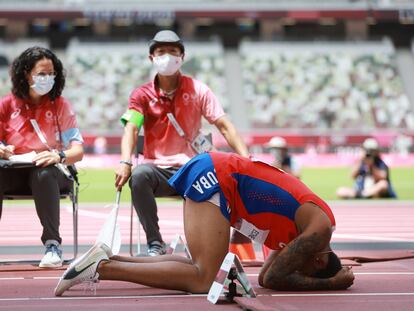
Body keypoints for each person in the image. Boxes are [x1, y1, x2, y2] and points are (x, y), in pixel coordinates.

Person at [55, 152, 354, 296]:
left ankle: (108, 258)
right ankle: (101, 270)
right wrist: (331, 283)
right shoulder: (319, 229)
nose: (295, 266)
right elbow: (275, 278)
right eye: (303, 267)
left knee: (196, 264)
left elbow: (265, 276)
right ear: (316, 259)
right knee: (204, 278)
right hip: (220, 176)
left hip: (218, 174)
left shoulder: (303, 234)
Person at [115, 30, 249, 256]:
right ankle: (155, 245)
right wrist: (125, 162)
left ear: (181, 57)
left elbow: (223, 124)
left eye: (173, 51)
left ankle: (218, 244)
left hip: (193, 169)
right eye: (161, 52)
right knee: (139, 176)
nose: (167, 56)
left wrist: (246, 159)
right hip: (158, 170)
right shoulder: (141, 95)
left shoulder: (198, 90)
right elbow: (132, 128)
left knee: (227, 178)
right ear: (152, 58)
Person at [0, 46, 84, 268]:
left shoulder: (61, 106)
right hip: (13, 173)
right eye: (42, 74)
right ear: (26, 74)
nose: (48, 78)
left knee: (43, 172)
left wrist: (58, 155)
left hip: (51, 175)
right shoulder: (6, 105)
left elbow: (78, 151)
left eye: (52, 74)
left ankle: (52, 245)